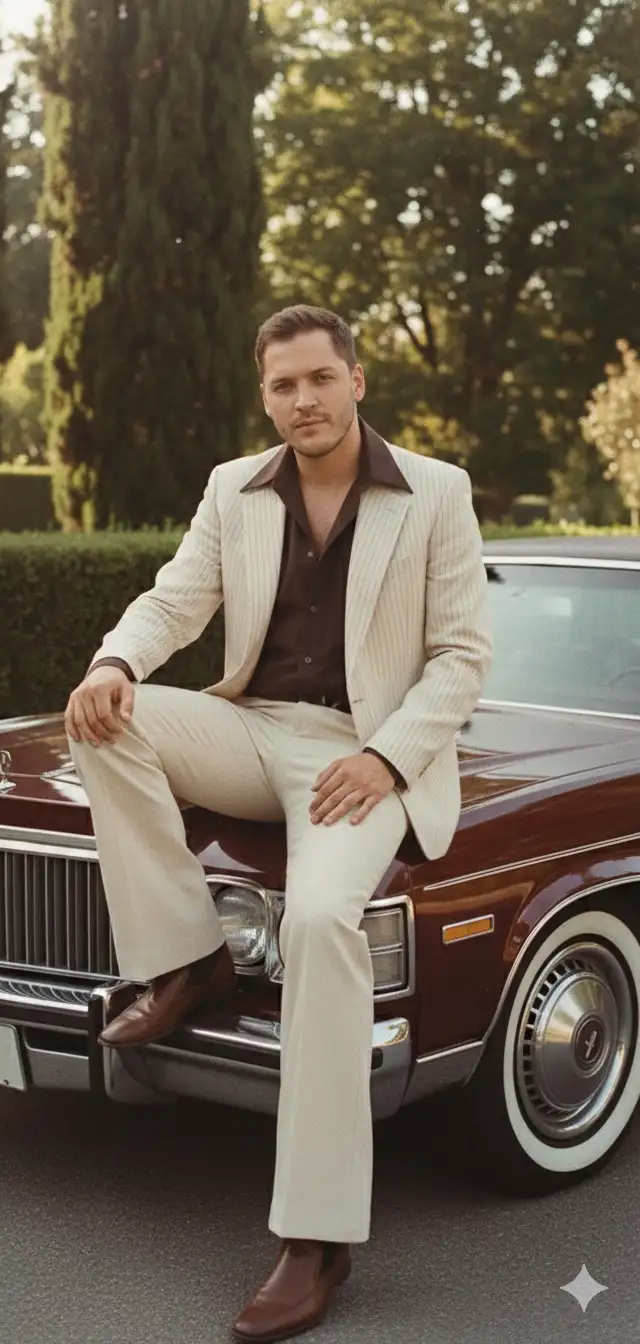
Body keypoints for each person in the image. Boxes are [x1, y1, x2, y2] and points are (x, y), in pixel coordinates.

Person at [65, 304, 493, 1341]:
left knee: (318, 924)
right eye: (283, 385)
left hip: (365, 750)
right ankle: (188, 958)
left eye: (319, 379)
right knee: (100, 720)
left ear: (356, 380)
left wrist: (386, 757)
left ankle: (317, 1236)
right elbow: (176, 600)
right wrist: (115, 661)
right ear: (265, 395)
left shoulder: (436, 491)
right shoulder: (234, 488)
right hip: (253, 728)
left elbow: (461, 658)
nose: (303, 400)